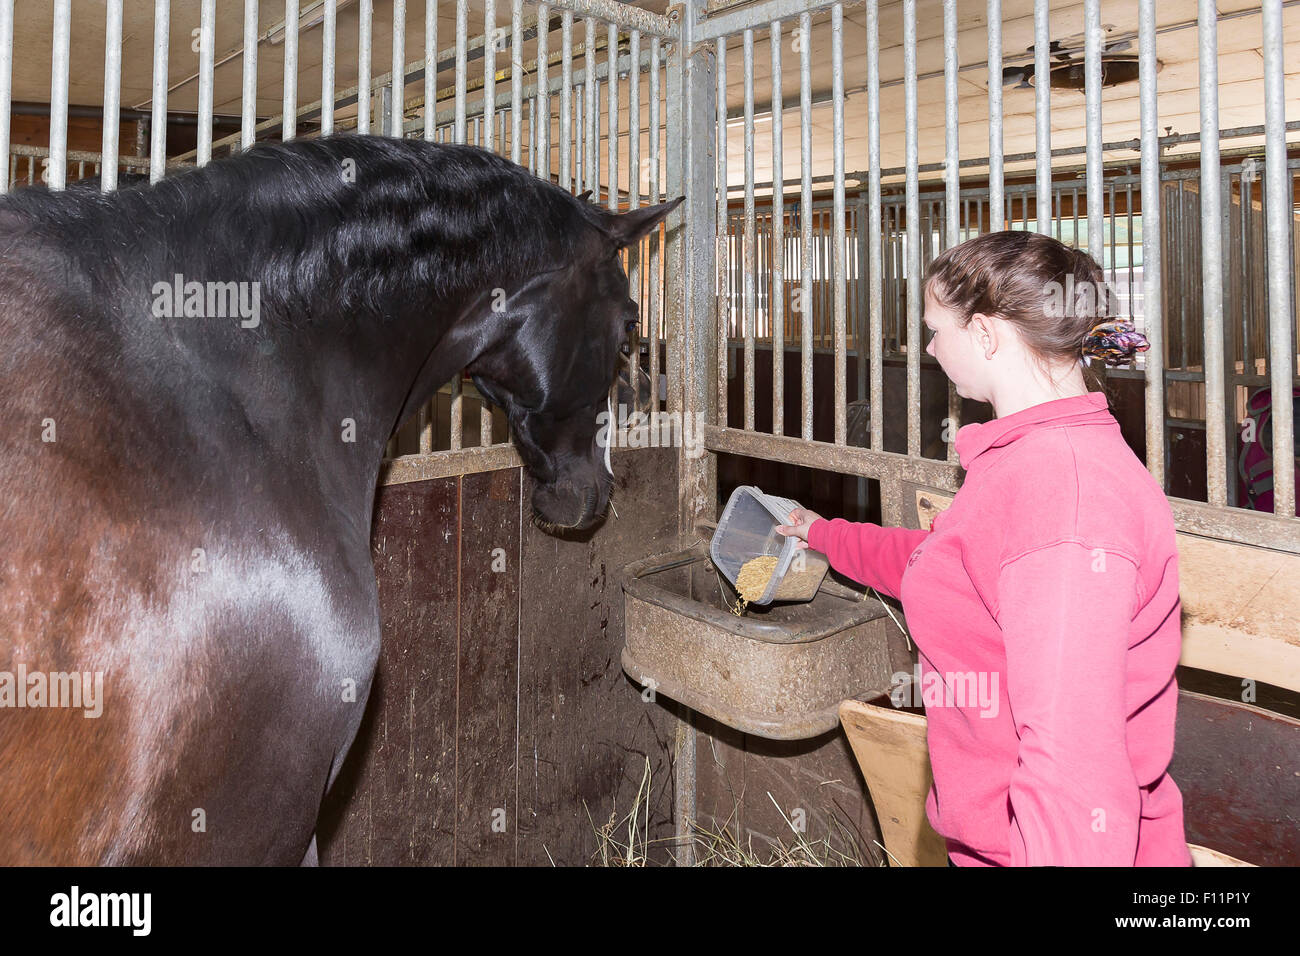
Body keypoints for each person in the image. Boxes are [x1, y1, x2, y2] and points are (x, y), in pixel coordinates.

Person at [778, 230, 1191, 867]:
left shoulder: (1067, 498)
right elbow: (950, 565)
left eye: (936, 328)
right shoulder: (1029, 461)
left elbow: (1071, 768)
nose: (929, 346)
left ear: (987, 334)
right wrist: (821, 533)